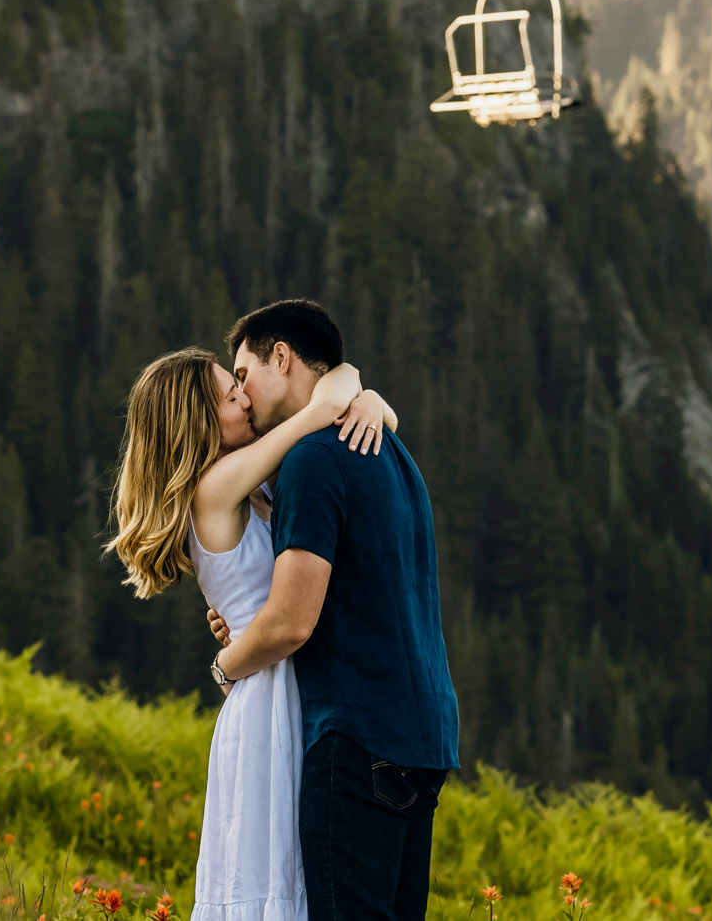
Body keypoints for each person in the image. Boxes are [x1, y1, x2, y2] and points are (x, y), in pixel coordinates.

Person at [105, 341, 396, 921]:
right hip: (268, 702)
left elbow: (353, 411)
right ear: (196, 418)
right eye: (229, 393)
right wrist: (355, 388)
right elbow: (322, 407)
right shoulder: (215, 488)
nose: (244, 399)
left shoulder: (247, 487)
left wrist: (371, 404)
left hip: (282, 685)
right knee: (277, 872)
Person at [207, 299, 459, 921]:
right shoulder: (391, 451)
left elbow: (293, 620)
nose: (242, 392)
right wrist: (361, 391)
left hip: (356, 738)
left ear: (282, 359)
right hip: (425, 735)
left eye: (243, 373)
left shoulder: (313, 460)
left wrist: (225, 664)